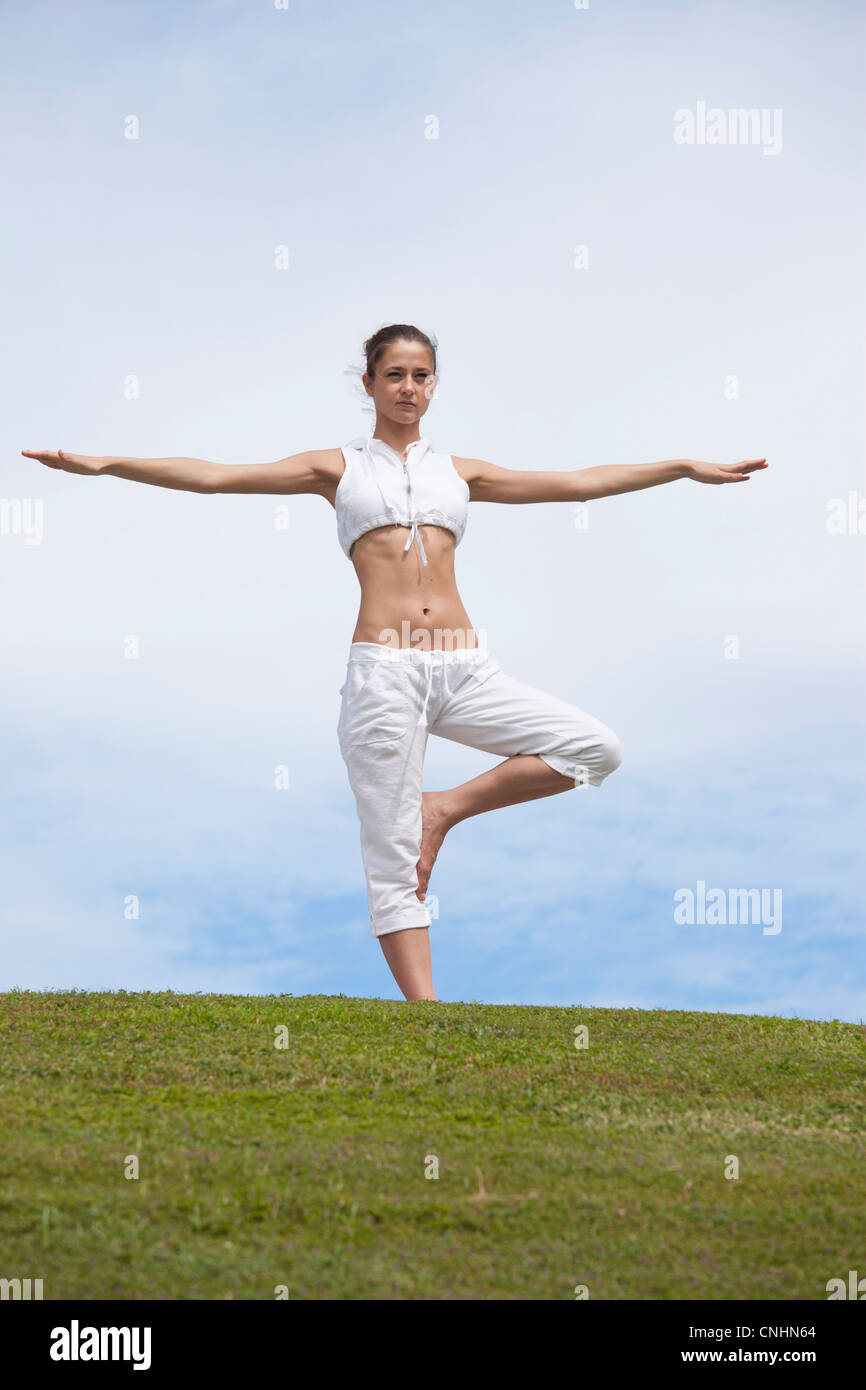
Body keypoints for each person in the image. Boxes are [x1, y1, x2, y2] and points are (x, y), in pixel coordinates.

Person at [22, 322, 767, 1003]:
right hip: (384, 669)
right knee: (391, 855)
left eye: (421, 375)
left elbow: (578, 483)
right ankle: (427, 1015)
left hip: (463, 663)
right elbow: (217, 475)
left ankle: (444, 808)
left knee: (595, 747)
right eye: (395, 375)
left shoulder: (460, 472)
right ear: (370, 384)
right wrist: (107, 463)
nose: (409, 388)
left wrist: (678, 467)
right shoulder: (335, 467)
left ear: (434, 385)